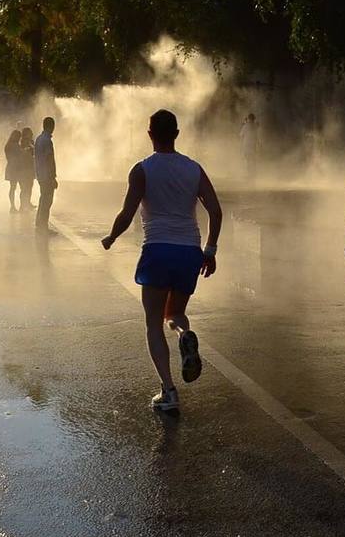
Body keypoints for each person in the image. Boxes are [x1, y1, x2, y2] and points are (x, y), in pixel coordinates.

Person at [102, 109, 222, 413]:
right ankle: (185, 334)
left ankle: (168, 391)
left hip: (157, 249)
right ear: (177, 134)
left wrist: (111, 237)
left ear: (150, 134)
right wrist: (210, 250)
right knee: (175, 314)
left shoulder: (142, 170)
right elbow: (216, 211)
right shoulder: (193, 169)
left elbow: (127, 214)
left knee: (153, 324)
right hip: (188, 252)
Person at [34, 117, 57, 232]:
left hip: (40, 174)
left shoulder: (38, 139)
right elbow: (49, 159)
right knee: (47, 201)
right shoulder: (47, 141)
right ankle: (43, 226)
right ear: (51, 126)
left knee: (43, 198)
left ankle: (39, 223)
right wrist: (53, 177)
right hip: (47, 175)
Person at [4, 130, 22, 212]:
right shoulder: (15, 145)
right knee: (21, 187)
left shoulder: (8, 145)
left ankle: (12, 206)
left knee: (12, 187)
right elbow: (19, 156)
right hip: (16, 168)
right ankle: (21, 205)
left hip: (11, 167)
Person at [18, 127, 36, 211]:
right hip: (23, 168)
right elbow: (21, 153)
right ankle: (22, 205)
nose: (32, 134)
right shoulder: (22, 143)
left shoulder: (31, 142)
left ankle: (28, 203)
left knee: (30, 186)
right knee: (24, 188)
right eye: (30, 133)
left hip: (30, 167)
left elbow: (34, 152)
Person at [239, 113, 259, 180]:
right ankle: (253, 174)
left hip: (247, 146)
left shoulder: (246, 126)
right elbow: (256, 134)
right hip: (253, 146)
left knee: (248, 161)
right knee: (253, 160)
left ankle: (250, 175)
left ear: (249, 119)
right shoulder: (254, 126)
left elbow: (241, 135)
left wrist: (244, 123)